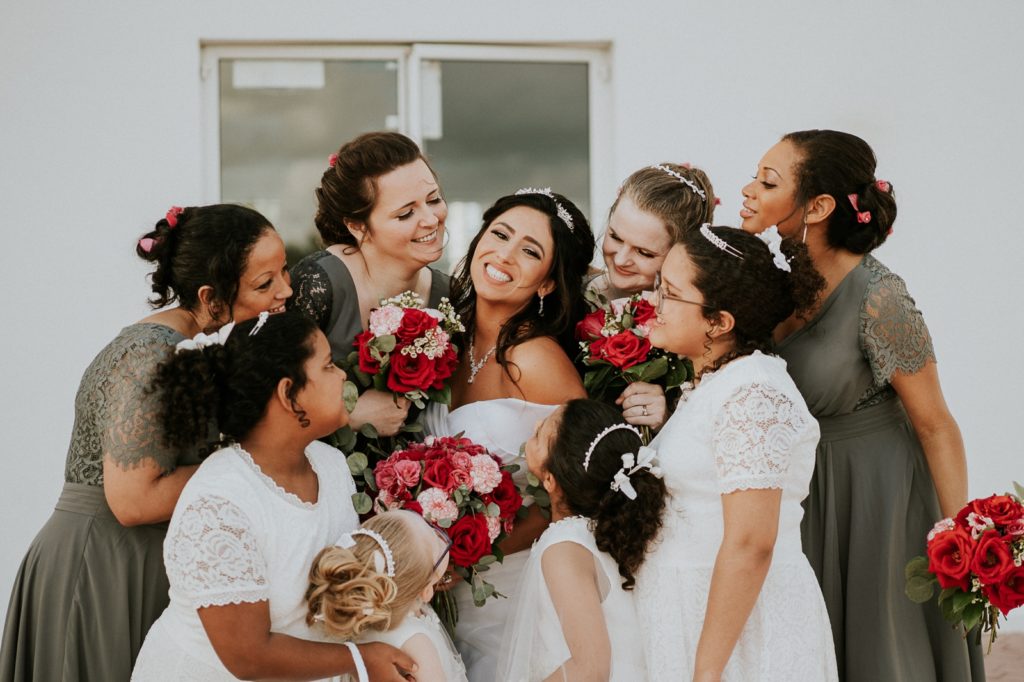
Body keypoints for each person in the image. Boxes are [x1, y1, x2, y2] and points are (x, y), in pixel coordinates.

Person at [0, 204, 292, 681]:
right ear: (209, 295)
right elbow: (134, 500)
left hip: (131, 557)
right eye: (265, 284)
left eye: (283, 272)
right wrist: (255, 460)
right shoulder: (152, 356)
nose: (285, 291)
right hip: (102, 565)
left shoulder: (194, 345)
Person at [740, 129, 983, 681]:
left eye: (768, 180)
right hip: (801, 492)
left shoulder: (880, 297)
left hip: (878, 499)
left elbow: (936, 424)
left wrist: (959, 539)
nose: (749, 189)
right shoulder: (780, 282)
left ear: (820, 207)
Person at [131, 311, 415, 681]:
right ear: (288, 393)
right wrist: (362, 659)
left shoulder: (329, 464)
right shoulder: (219, 504)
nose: (343, 375)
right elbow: (248, 656)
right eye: (328, 366)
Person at [636, 225, 837, 681]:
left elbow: (751, 543)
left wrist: (706, 671)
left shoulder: (754, 395)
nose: (654, 304)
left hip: (741, 634)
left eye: (669, 293)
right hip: (695, 613)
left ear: (719, 322)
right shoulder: (719, 384)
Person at [422, 188, 594, 681]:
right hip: (440, 587)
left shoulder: (535, 358)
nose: (505, 254)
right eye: (499, 235)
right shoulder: (438, 343)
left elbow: (577, 491)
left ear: (545, 284)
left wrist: (471, 553)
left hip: (510, 593)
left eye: (530, 251)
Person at [291, 131, 450, 437]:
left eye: (434, 199)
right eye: (406, 213)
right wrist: (345, 414)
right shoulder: (319, 285)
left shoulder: (449, 296)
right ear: (357, 225)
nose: (431, 219)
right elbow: (264, 398)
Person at [498, 399, 658, 681]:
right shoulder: (611, 531)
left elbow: (590, 670)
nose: (535, 425)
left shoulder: (564, 546)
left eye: (540, 434)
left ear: (549, 480)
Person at [587, 163, 715, 432]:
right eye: (615, 237)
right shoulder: (573, 292)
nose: (621, 259)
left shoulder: (702, 324)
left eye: (644, 253)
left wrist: (668, 420)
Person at [307, 510, 467, 682]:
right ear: (426, 591)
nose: (439, 534)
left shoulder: (359, 621)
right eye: (436, 540)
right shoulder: (417, 643)